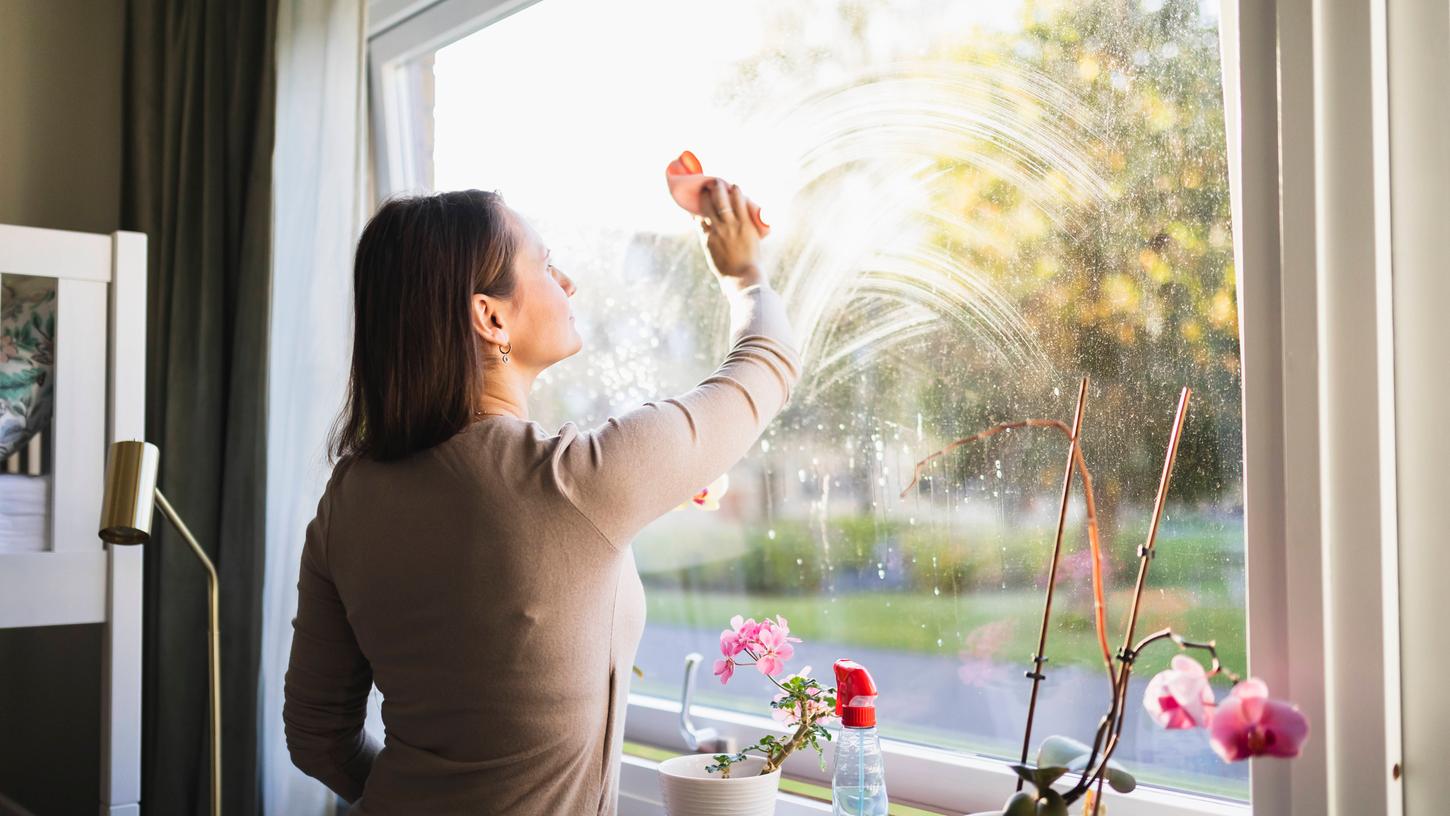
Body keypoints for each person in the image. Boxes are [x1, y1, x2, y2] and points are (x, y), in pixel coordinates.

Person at [283, 179, 801, 814]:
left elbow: (317, 739)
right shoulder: (571, 479)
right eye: (547, 265)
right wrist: (744, 272)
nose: (569, 282)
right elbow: (766, 362)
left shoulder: (349, 496)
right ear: (490, 315)